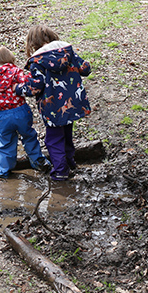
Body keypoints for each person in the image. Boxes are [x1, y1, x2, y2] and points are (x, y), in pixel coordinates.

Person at [17, 25, 91, 181]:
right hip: (72, 104)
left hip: (52, 109)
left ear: (33, 43)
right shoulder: (66, 51)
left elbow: (35, 87)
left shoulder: (37, 61)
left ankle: (60, 171)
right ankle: (70, 163)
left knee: (53, 140)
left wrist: (18, 88)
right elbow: (85, 69)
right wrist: (85, 64)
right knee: (66, 135)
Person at [0, 46, 51, 178]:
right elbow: (27, 84)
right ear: (9, 59)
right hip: (20, 111)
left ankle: (4, 171)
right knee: (29, 136)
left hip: (2, 115)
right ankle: (38, 162)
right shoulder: (15, 72)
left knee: (5, 142)